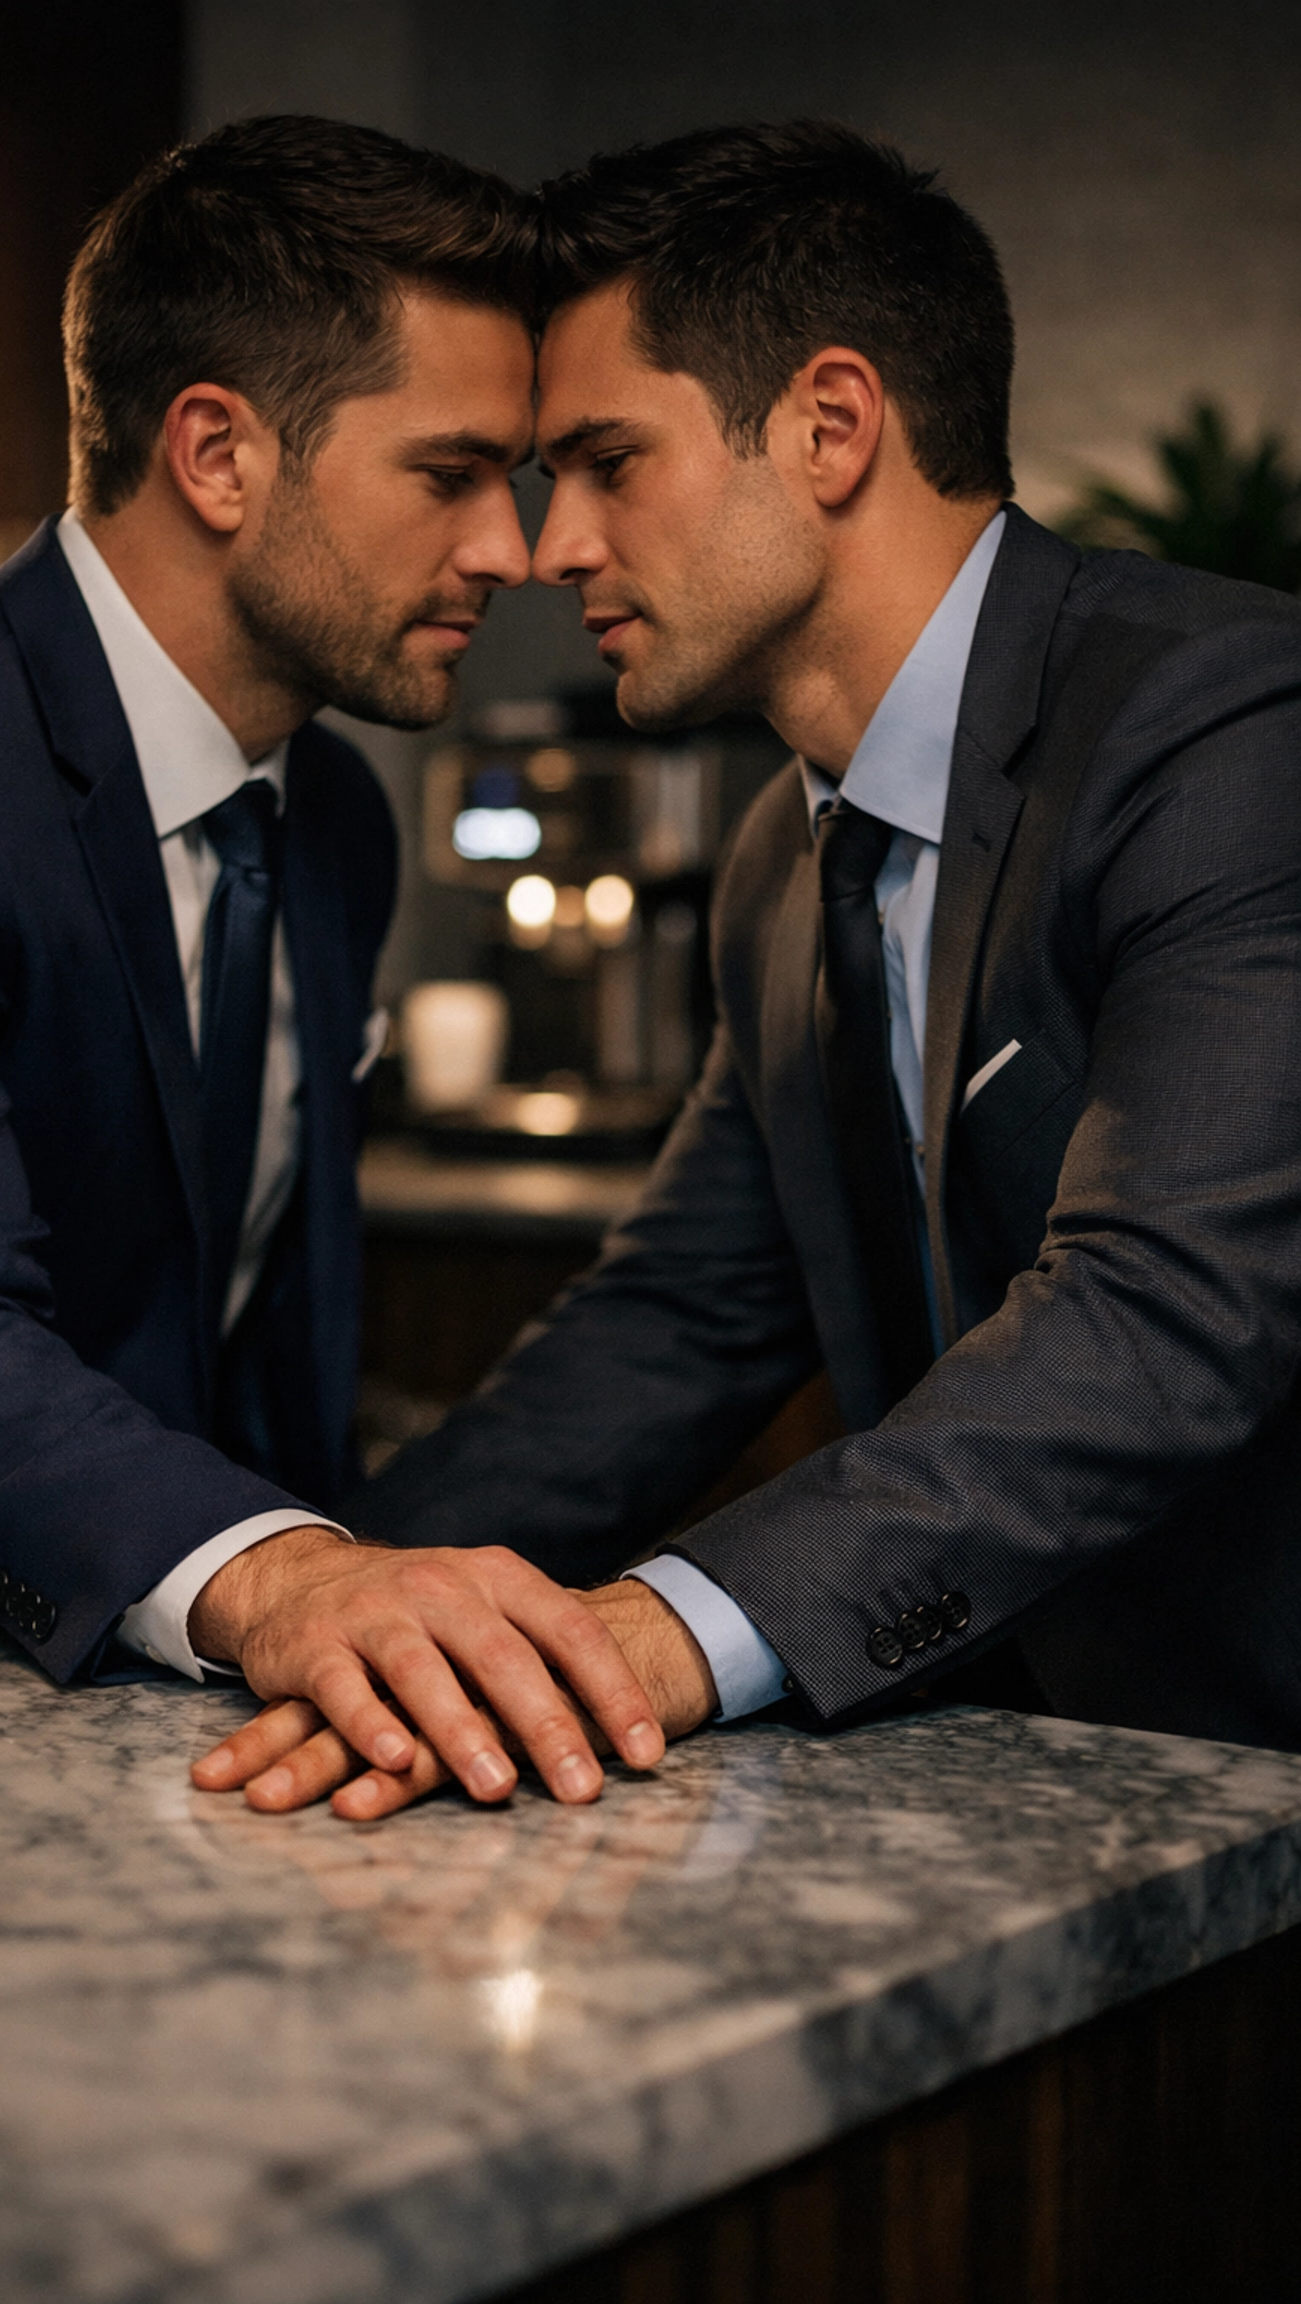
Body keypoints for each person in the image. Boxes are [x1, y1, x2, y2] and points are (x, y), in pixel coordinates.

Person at [208, 118, 1301, 1820]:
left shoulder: (1225, 729)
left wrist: (659, 1635)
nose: (548, 546)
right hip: (1003, 1782)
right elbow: (679, 1318)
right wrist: (335, 1602)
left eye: (604, 461)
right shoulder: (786, 859)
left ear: (830, 424)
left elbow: (1162, 1318)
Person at [0, 116, 666, 1809]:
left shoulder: (330, 810)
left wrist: (354, 1594)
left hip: (191, 1726)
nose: (512, 548)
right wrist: (288, 1582)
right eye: (450, 472)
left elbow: (246, 1330)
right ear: (218, 454)